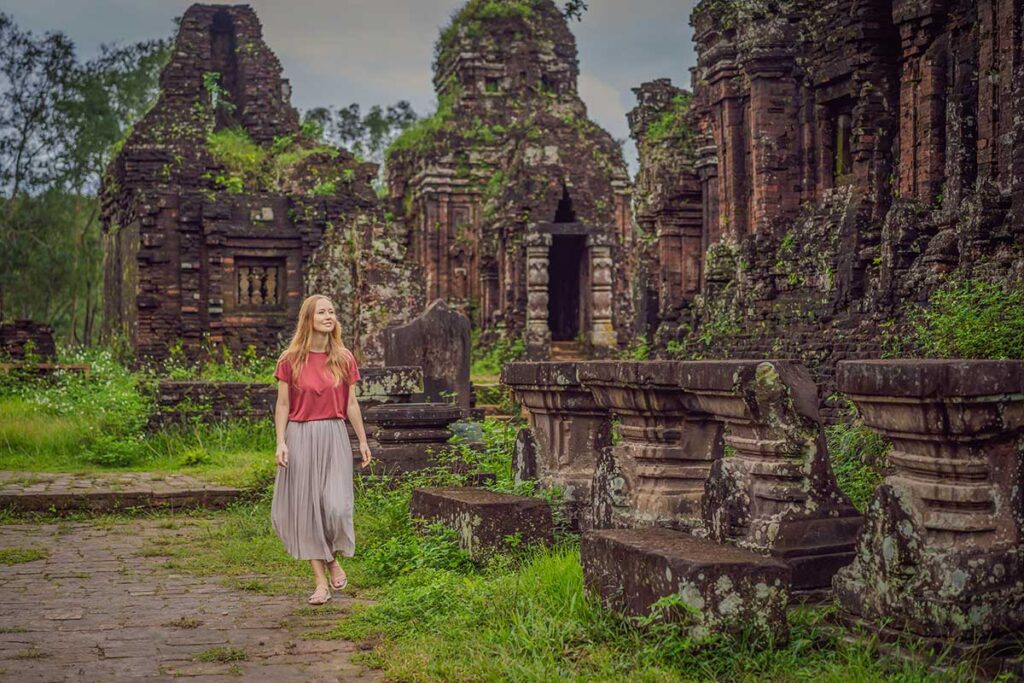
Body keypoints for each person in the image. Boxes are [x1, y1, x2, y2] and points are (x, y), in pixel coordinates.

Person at [270, 294, 372, 605]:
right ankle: (320, 581)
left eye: (332, 311)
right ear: (308, 319)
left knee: (336, 508)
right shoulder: (290, 360)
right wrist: (280, 442)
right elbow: (283, 404)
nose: (329, 316)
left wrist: (363, 440)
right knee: (307, 510)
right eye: (322, 312)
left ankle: (331, 558)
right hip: (300, 435)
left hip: (334, 434)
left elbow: (351, 403)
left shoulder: (343, 357)